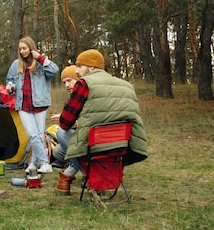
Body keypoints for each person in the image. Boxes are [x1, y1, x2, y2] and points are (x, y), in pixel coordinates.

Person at [55, 49, 148, 196]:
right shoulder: (126, 85)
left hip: (95, 146)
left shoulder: (84, 84)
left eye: (79, 66)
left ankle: (88, 177)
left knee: (60, 133)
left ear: (91, 67)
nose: (77, 71)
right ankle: (76, 175)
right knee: (58, 150)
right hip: (122, 146)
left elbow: (65, 123)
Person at [6, 37, 59, 174]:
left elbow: (55, 70)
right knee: (32, 135)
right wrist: (10, 87)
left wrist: (40, 57)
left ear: (31, 48)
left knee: (39, 136)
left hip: (40, 104)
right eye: (20, 49)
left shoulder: (41, 63)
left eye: (24, 48)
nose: (22, 51)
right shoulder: (16, 64)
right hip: (23, 105)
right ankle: (45, 162)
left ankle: (34, 163)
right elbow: (10, 80)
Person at [49, 65, 78, 169]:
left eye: (69, 81)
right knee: (56, 152)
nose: (67, 85)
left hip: (87, 137)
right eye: (64, 82)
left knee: (61, 133)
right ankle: (73, 161)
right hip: (75, 135)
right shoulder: (69, 101)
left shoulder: (87, 96)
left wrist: (77, 123)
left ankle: (76, 165)